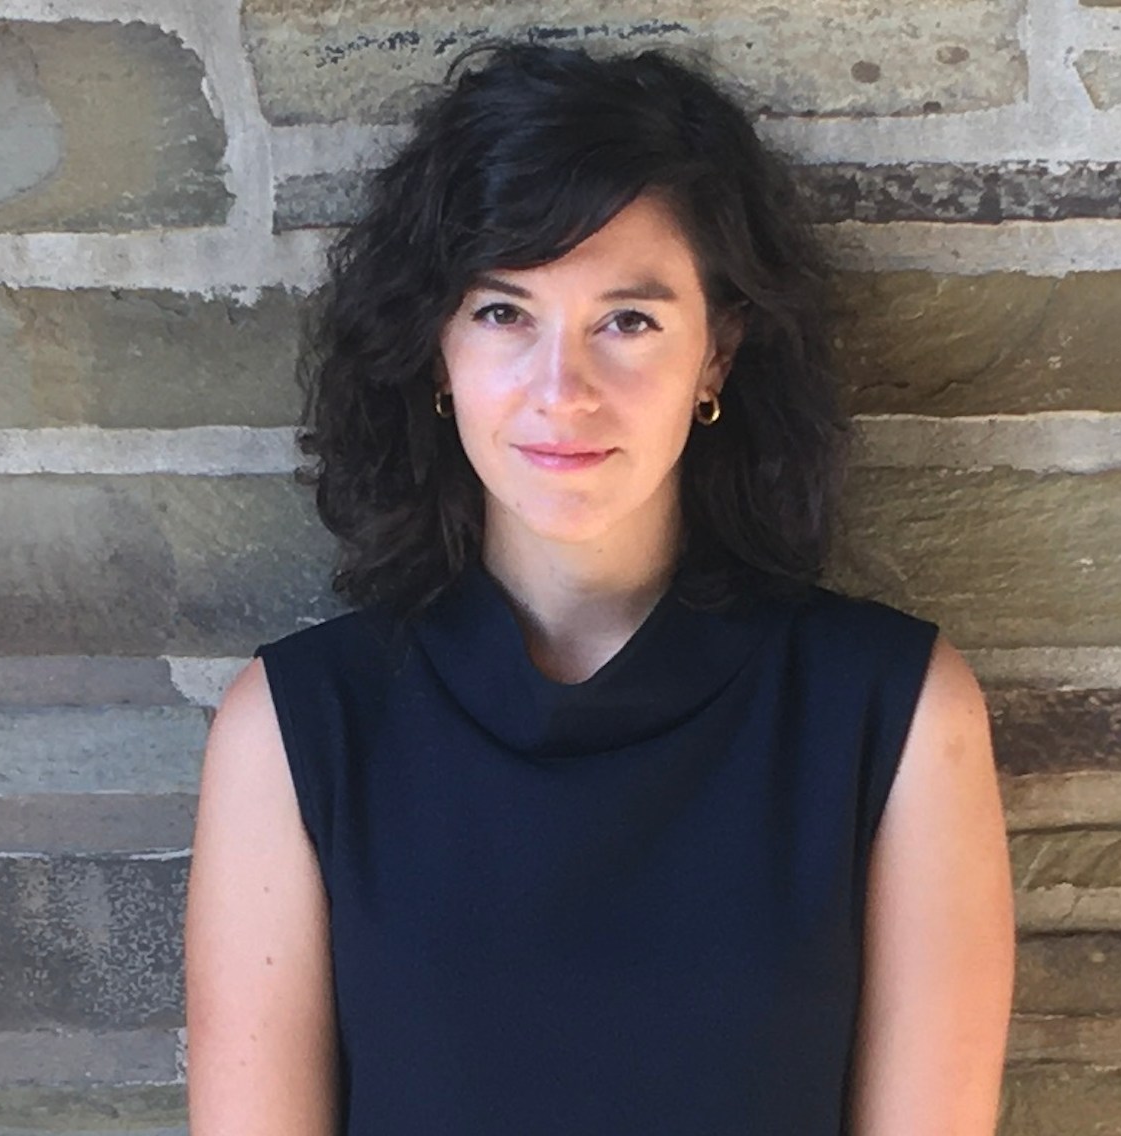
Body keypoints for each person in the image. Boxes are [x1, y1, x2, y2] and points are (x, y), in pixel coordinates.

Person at [184, 41, 1013, 1135]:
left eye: (628, 319)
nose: (559, 389)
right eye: (502, 313)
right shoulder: (297, 727)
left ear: (717, 351)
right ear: (436, 351)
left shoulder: (893, 713)